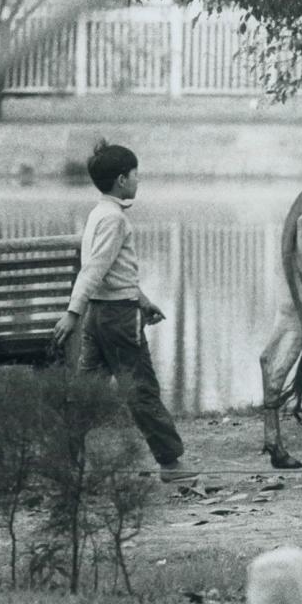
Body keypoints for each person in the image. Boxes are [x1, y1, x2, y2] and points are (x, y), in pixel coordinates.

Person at [52, 141, 195, 483]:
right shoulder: (115, 219)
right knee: (141, 388)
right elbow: (94, 270)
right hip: (117, 319)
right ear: (121, 180)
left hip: (98, 318)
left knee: (88, 390)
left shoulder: (98, 214)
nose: (138, 180)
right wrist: (72, 311)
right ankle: (172, 464)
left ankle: (65, 459)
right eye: (135, 174)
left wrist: (142, 300)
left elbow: (111, 271)